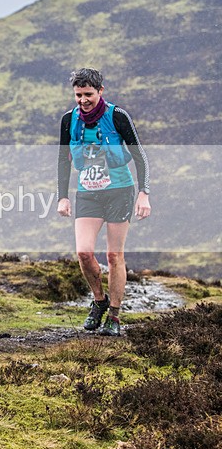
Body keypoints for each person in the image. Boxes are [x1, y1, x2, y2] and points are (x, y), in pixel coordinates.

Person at [57, 68, 151, 336]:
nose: (83, 100)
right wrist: (62, 196)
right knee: (84, 253)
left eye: (88, 94)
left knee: (113, 255)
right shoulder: (68, 120)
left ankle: (114, 316)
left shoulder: (117, 116)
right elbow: (63, 160)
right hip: (87, 193)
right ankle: (99, 300)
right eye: (78, 95)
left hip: (119, 191)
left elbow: (140, 155)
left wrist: (144, 193)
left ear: (100, 91)